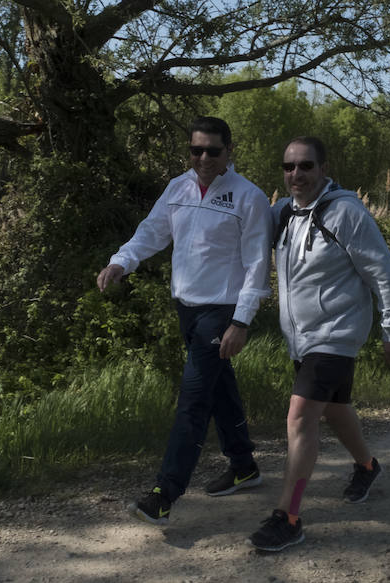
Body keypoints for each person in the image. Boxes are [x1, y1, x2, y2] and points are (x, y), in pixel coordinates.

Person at [96, 116, 272, 525]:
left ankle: (165, 492)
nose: (204, 158)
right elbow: (151, 232)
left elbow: (258, 266)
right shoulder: (178, 187)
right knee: (220, 387)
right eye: (196, 150)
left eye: (213, 150)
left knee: (192, 400)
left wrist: (241, 321)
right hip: (187, 309)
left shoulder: (249, 197)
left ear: (229, 151)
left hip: (222, 311)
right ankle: (244, 465)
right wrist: (121, 262)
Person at [247, 136, 390, 552]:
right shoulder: (282, 213)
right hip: (299, 339)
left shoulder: (346, 213)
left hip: (336, 335)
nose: (295, 174)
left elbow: (383, 272)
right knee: (335, 409)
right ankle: (367, 466)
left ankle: (290, 516)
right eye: (288, 167)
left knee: (301, 416)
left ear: (323, 168)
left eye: (305, 166)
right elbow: (241, 232)